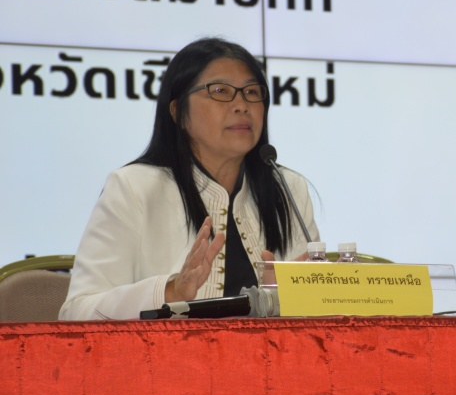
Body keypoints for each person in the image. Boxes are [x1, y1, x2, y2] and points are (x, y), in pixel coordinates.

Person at [59, 37, 319, 320]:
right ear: (178, 112)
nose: (241, 105)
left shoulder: (289, 189)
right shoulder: (133, 188)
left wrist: (293, 297)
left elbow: (322, 323)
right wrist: (169, 292)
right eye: (220, 91)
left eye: (252, 92)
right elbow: (77, 312)